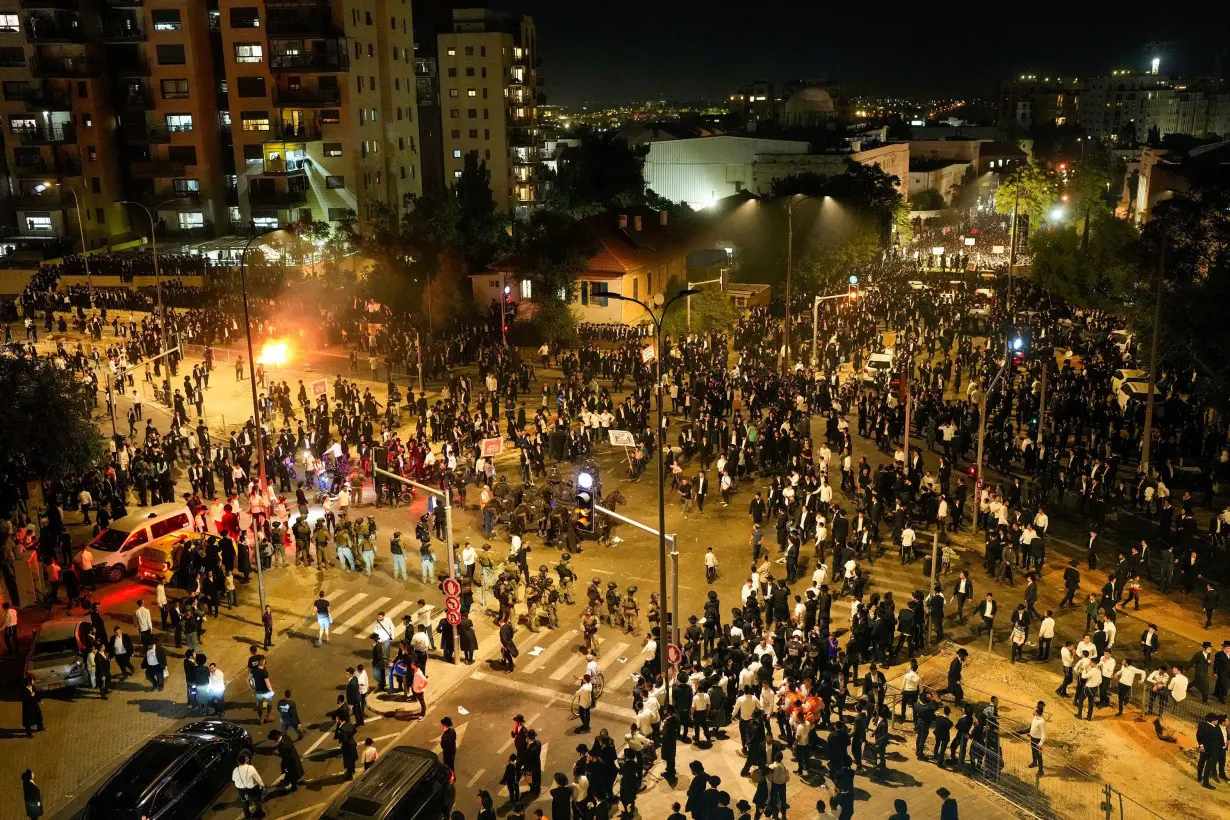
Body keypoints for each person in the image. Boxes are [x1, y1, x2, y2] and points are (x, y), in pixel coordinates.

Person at [231, 749, 266, 819]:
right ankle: (259, 813)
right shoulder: (250, 768)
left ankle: (247, 816)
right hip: (251, 790)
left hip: (241, 791)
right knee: (256, 800)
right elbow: (257, 778)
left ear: (239, 762)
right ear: (247, 761)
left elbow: (233, 779)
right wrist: (262, 785)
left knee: (245, 802)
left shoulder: (235, 770)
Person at [1027, 700, 1046, 775]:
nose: (1033, 710)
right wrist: (1031, 733)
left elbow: (1043, 733)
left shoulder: (1042, 721)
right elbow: (1033, 726)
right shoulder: (1035, 717)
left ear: (1037, 712)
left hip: (1038, 740)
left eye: (1034, 710)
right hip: (1033, 737)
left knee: (1039, 755)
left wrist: (1041, 743)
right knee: (1033, 751)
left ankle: (1041, 770)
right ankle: (1034, 762)